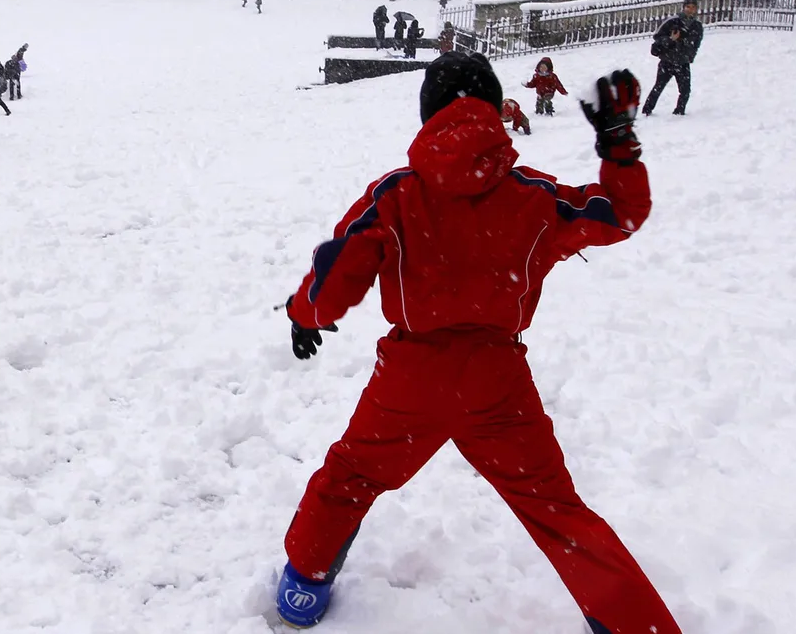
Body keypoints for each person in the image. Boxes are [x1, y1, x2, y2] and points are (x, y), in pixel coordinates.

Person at [274, 53, 677, 634]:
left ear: (427, 114)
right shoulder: (536, 196)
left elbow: (337, 272)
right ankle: (635, 625)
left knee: (352, 475)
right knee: (555, 509)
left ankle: (303, 589)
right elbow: (619, 214)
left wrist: (304, 314)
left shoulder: (394, 195)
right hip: (498, 383)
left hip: (410, 380)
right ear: (494, 108)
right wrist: (619, 148)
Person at [642, 0, 704, 116]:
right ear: (683, 8)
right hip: (668, 61)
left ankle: (679, 112)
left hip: (683, 62)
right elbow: (657, 37)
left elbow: (697, 43)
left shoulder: (697, 26)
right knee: (659, 86)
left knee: (685, 90)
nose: (690, 10)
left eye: (693, 7)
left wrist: (690, 56)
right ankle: (647, 110)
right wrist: (670, 39)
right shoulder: (673, 21)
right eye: (688, 7)